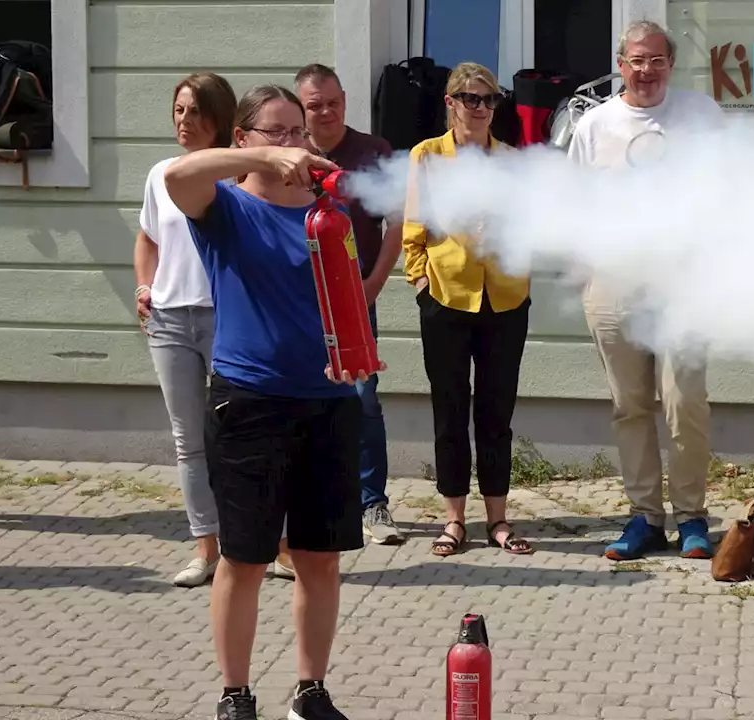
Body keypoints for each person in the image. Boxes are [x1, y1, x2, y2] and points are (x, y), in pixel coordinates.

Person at [165, 83, 378, 720]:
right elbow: (179, 175)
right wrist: (261, 163)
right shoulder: (225, 208)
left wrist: (360, 358)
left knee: (320, 558)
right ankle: (236, 695)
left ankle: (310, 691)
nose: (292, 145)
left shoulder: (327, 213)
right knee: (246, 557)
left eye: (298, 133)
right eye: (276, 132)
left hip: (330, 401)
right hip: (250, 403)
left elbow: (346, 301)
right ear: (242, 139)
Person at [567, 21, 724, 561]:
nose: (646, 70)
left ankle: (692, 518)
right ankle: (644, 518)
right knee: (630, 406)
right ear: (621, 62)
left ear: (670, 64)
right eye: (637, 60)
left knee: (685, 402)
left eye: (657, 60)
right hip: (615, 282)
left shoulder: (703, 117)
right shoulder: (594, 125)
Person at [403, 62, 534, 557]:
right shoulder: (428, 156)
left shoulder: (512, 161)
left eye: (491, 100)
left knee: (497, 411)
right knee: (450, 409)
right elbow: (413, 226)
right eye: (472, 99)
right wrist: (419, 280)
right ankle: (454, 519)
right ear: (451, 103)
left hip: (505, 298)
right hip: (445, 296)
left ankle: (498, 519)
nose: (481, 109)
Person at [136, 72, 241, 586]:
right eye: (179, 110)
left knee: (242, 433)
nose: (185, 120)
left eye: (196, 111)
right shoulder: (160, 173)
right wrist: (143, 288)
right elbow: (148, 240)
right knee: (188, 441)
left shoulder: (237, 174)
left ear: (219, 117)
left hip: (227, 319)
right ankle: (206, 549)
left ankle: (272, 546)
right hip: (170, 321)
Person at [295, 63, 406, 546]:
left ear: (345, 99)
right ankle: (311, 501)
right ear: (302, 108)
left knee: (362, 398)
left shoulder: (372, 152)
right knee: (299, 398)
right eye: (314, 104)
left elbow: (399, 222)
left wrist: (376, 282)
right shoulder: (285, 154)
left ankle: (371, 504)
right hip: (295, 299)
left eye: (332, 101)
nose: (325, 111)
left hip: (355, 296)